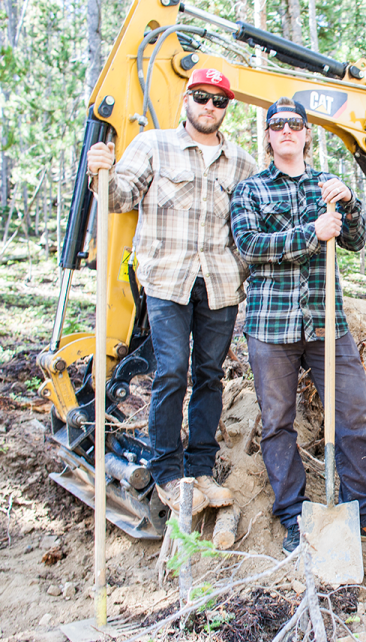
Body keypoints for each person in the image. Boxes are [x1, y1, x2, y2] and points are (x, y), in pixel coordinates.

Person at [230, 97, 366, 554]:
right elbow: (250, 246)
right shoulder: (250, 189)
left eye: (295, 123)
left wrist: (347, 205)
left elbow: (354, 240)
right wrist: (313, 233)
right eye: (277, 124)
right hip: (271, 326)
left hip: (326, 321)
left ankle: (362, 513)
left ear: (307, 134)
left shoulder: (326, 185)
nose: (287, 129)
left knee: (354, 414)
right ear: (268, 136)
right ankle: (292, 516)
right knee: (277, 423)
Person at [85, 69, 257, 515]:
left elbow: (249, 223)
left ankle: (200, 466)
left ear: (226, 108)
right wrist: (99, 172)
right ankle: (166, 470)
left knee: (209, 373)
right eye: (201, 97)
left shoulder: (240, 162)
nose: (209, 107)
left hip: (219, 283)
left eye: (218, 101)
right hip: (167, 280)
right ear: (186, 98)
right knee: (171, 371)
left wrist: (241, 267)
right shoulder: (153, 146)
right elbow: (120, 197)